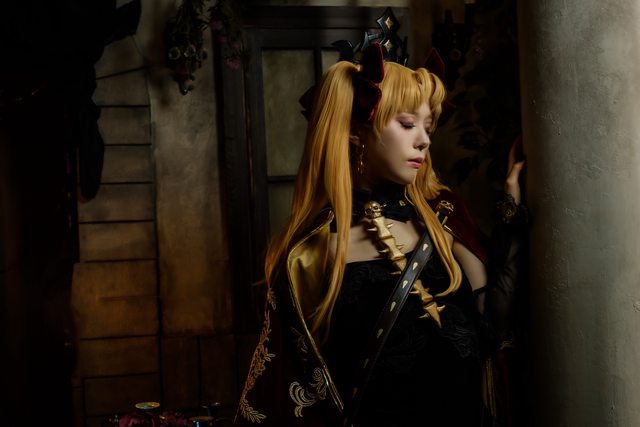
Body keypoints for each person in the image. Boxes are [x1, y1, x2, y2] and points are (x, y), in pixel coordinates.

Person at [234, 35, 525, 427]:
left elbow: (495, 322)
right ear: (357, 131)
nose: (424, 140)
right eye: (407, 124)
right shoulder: (310, 252)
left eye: (428, 126)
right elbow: (289, 389)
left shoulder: (443, 218)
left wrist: (511, 208)